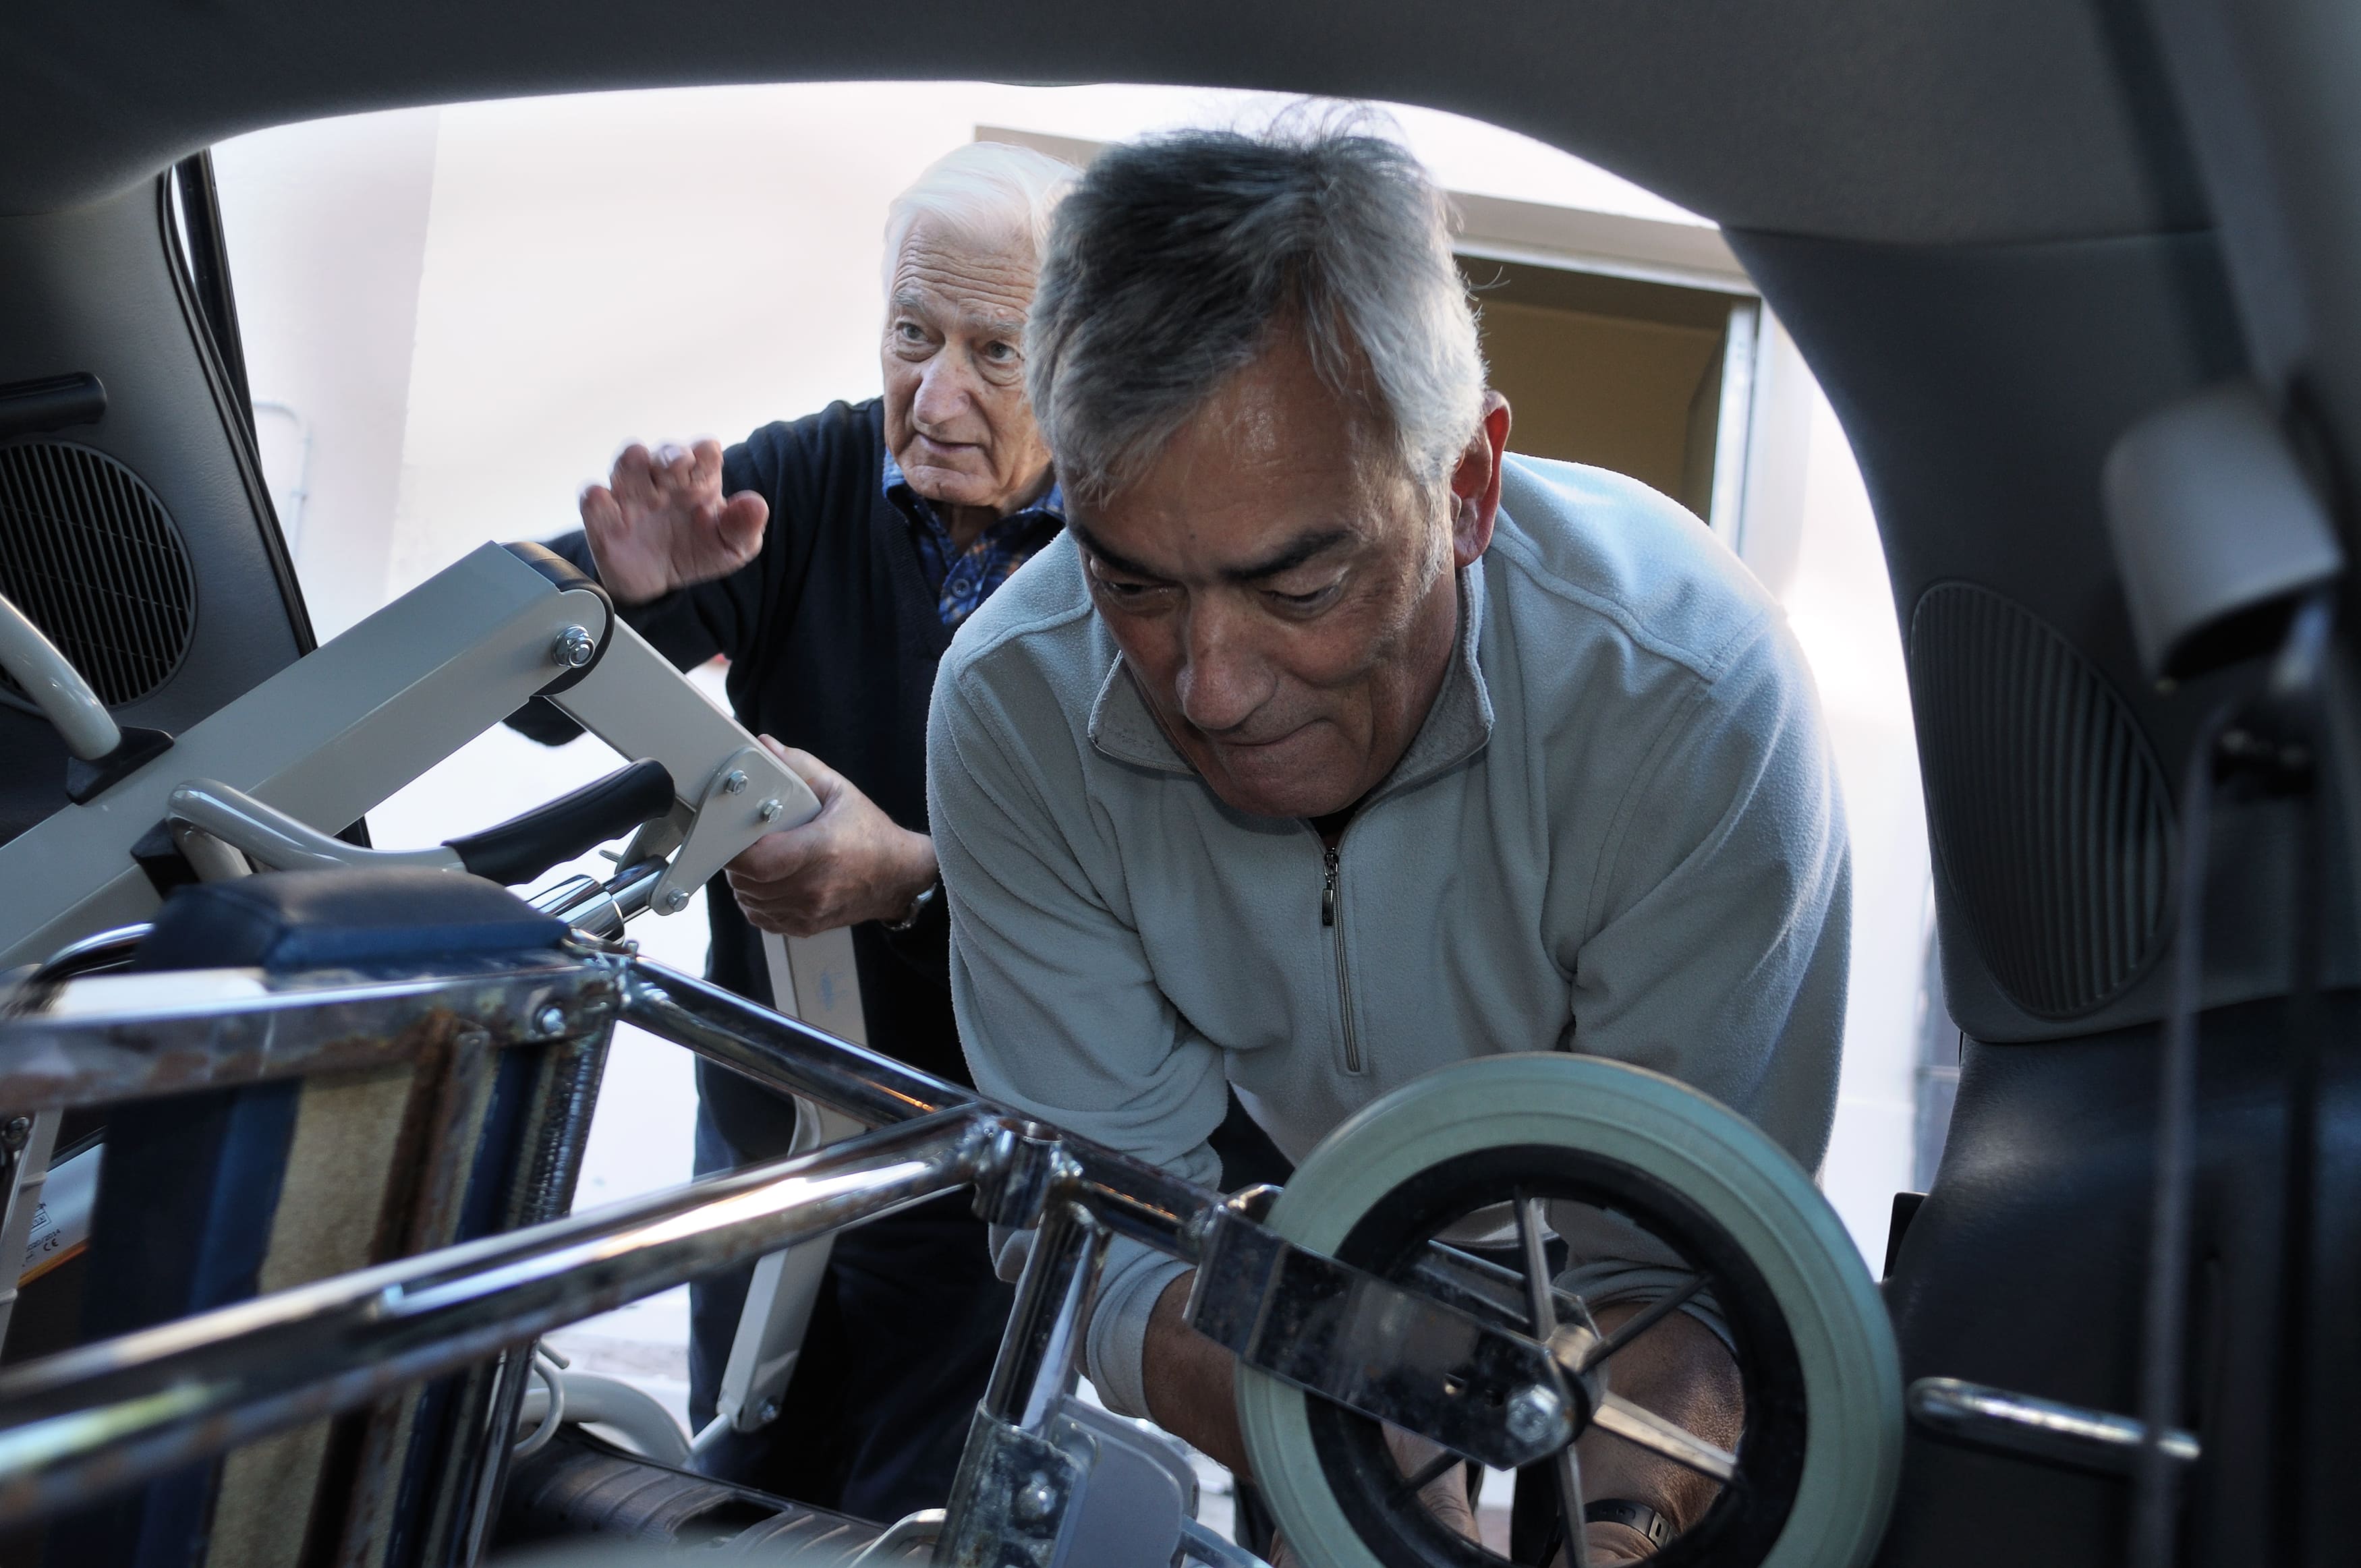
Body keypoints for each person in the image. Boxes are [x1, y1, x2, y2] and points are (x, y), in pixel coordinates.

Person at [927, 125, 1849, 1564]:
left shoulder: (1687, 696)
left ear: (1469, 486)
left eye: (1300, 577)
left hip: (1639, 1281)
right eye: (1131, 581)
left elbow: (1676, 1267)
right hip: (1298, 1256)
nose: (1209, 685)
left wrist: (1608, 1530)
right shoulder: (1013, 705)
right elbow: (1109, 1226)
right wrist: (1356, 1445)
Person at [515, 140, 1074, 1521]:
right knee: (743, 1485)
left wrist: (910, 879)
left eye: (995, 353)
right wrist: (620, 599)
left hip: (995, 1145)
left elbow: (1149, 887)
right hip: (774, 1121)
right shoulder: (812, 476)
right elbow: (532, 688)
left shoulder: (1137, 552)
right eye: (910, 333)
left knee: (924, 1517)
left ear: (1089, 354)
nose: (933, 394)